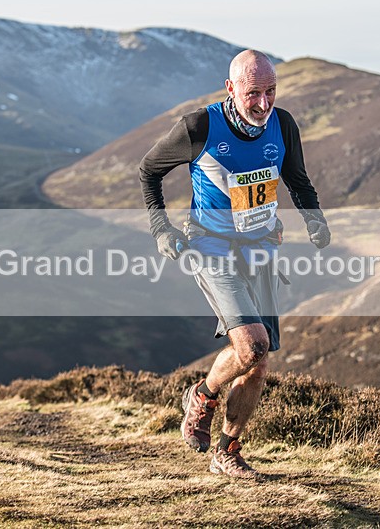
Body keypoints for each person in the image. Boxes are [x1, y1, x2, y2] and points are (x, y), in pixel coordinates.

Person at [139, 50, 330, 478]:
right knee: (252, 345)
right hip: (212, 247)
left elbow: (296, 179)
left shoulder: (283, 124)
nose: (263, 104)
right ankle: (203, 394)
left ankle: (226, 450)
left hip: (262, 249)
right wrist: (160, 228)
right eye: (252, 94)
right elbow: (148, 170)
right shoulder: (199, 127)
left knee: (258, 363)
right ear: (230, 89)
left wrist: (315, 220)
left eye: (270, 92)